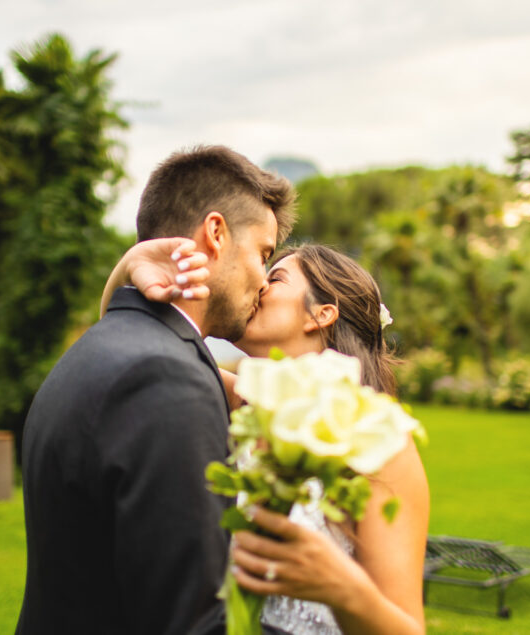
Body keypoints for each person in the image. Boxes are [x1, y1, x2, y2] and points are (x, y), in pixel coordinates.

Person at [15, 145, 296, 635]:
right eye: (263, 254)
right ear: (215, 233)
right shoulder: (165, 379)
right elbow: (191, 621)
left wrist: (127, 268)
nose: (263, 281)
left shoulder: (108, 346)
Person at [105, 241, 429, 634]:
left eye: (275, 277)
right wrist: (129, 266)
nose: (259, 283)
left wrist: (342, 587)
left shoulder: (376, 443)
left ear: (321, 314)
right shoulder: (240, 402)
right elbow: (123, 346)